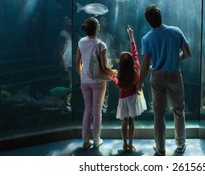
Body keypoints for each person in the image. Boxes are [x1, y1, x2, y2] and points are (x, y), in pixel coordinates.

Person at [138, 5, 192, 156]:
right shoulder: (176, 31)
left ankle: (160, 148)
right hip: (174, 74)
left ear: (148, 21)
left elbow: (144, 64)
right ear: (161, 16)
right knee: (179, 110)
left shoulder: (147, 38)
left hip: (157, 76)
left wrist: (139, 82)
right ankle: (180, 144)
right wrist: (176, 58)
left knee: (159, 113)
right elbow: (188, 53)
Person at [76, 17, 118, 149]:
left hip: (85, 81)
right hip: (98, 81)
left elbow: (78, 62)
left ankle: (85, 141)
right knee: (97, 111)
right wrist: (114, 72)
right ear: (97, 28)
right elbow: (104, 68)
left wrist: (81, 74)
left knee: (87, 110)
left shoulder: (81, 42)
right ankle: (96, 140)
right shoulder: (101, 44)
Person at [113, 25, 147, 153]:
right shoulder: (136, 69)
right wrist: (131, 36)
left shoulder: (120, 75)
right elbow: (136, 53)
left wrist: (113, 77)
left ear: (120, 64)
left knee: (124, 120)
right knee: (131, 120)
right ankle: (131, 144)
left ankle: (124, 144)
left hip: (123, 99)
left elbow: (117, 84)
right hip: (133, 98)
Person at [57, 16, 72, 111]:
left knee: (69, 85)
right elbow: (59, 50)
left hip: (71, 64)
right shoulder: (63, 34)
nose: (69, 20)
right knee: (66, 86)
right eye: (67, 19)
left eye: (69, 19)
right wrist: (64, 65)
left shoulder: (70, 34)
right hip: (66, 64)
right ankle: (64, 106)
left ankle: (66, 105)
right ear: (63, 23)